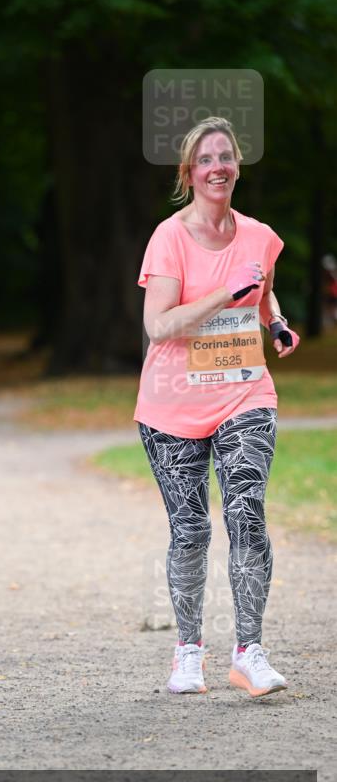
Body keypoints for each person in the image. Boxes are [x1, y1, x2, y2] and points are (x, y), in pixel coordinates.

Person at [134, 116, 300, 698]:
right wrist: (225, 293)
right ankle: (188, 652)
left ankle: (249, 651)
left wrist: (273, 320)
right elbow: (158, 325)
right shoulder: (170, 237)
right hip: (172, 405)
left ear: (237, 166)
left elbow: (263, 284)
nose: (218, 167)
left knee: (247, 512)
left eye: (226, 156)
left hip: (244, 392)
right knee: (190, 530)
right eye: (205, 159)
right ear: (190, 173)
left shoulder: (258, 235)